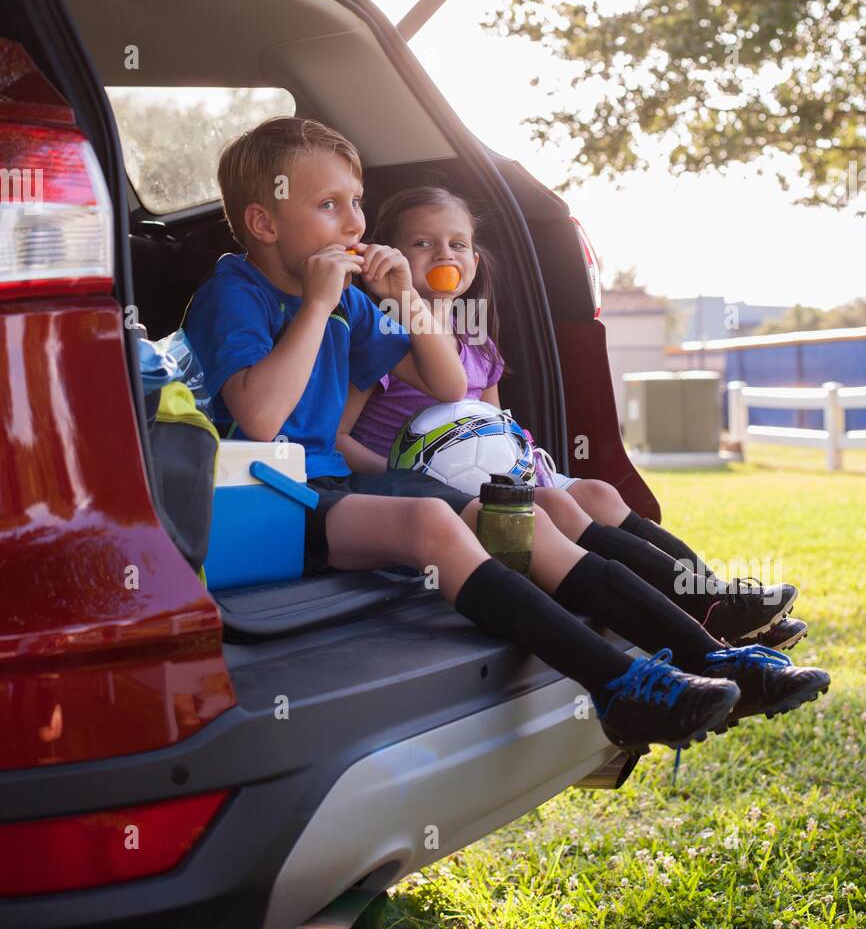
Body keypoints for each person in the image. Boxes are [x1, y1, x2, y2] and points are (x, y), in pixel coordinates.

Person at [183, 118, 829, 756]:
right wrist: (318, 306)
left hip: (329, 484)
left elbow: (445, 384)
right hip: (269, 494)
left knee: (520, 519)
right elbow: (259, 417)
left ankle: (713, 654)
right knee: (432, 526)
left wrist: (405, 296)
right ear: (264, 225)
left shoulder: (350, 301)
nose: (355, 223)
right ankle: (616, 686)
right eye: (329, 206)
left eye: (356, 202)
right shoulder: (235, 294)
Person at [342, 184, 808, 651]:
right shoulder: (386, 339)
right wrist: (402, 474)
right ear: (390, 257)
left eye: (457, 243)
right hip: (425, 491)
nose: (444, 254)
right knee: (561, 506)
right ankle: (705, 619)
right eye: (423, 243)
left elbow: (496, 427)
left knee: (600, 493)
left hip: (500, 480)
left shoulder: (477, 343)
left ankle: (715, 601)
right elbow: (338, 437)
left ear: (475, 262)